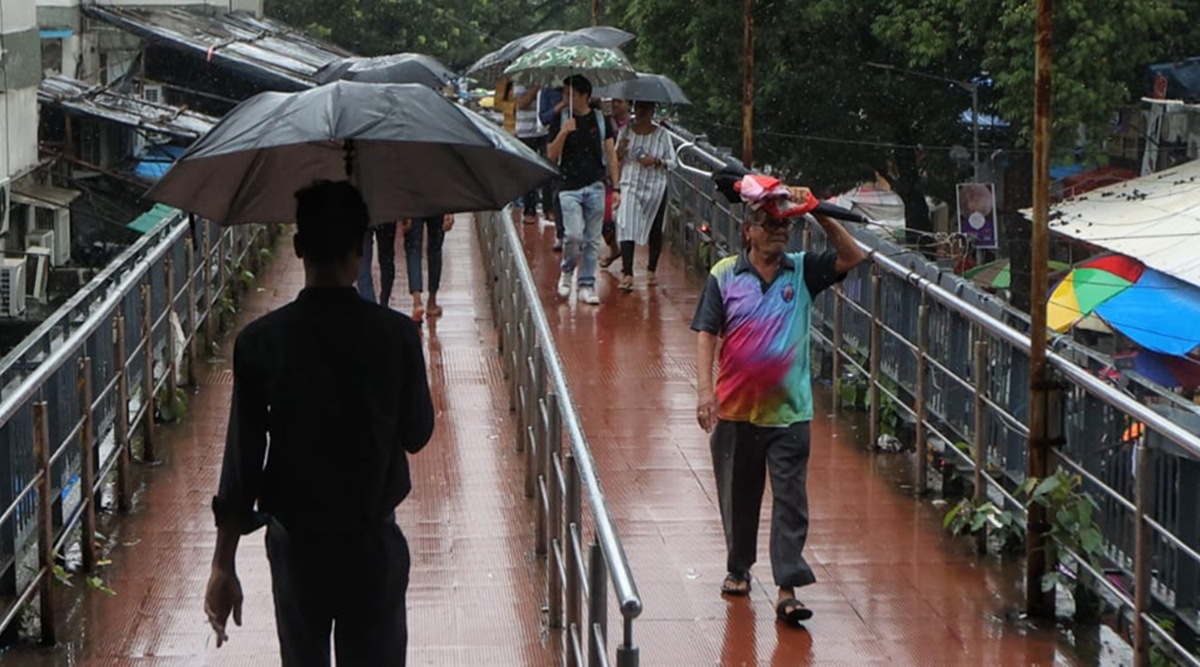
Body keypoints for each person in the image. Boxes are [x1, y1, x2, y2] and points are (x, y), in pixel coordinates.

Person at [205, 180, 434, 665]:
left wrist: (223, 564)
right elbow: (418, 434)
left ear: (298, 247)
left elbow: (242, 461)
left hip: (297, 551)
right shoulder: (395, 336)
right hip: (372, 545)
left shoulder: (260, 343)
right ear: (360, 247)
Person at [690, 184, 866, 628]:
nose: (778, 233)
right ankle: (740, 567)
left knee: (790, 499)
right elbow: (707, 332)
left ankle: (787, 588)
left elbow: (852, 258)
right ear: (748, 232)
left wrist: (818, 213)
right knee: (739, 495)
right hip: (735, 409)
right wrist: (703, 392)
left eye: (784, 225)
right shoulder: (724, 274)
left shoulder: (802, 271)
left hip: (790, 412)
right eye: (769, 225)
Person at [546, 74, 621, 305]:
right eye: (564, 94)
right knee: (573, 235)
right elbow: (551, 154)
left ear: (585, 96)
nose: (566, 99)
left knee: (592, 240)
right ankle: (567, 271)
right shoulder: (560, 118)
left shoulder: (600, 119)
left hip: (595, 185)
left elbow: (610, 154)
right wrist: (564, 131)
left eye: (571, 94)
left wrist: (616, 187)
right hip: (568, 186)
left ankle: (586, 284)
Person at [613, 100, 674, 291]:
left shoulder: (662, 134)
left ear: (652, 111)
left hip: (655, 186)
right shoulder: (626, 131)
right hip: (631, 183)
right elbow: (616, 156)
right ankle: (627, 272)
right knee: (626, 223)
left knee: (656, 228)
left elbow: (673, 162)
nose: (642, 113)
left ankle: (651, 269)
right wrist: (621, 147)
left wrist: (656, 161)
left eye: (646, 109)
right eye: (639, 109)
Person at [598, 98, 632, 269]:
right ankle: (613, 247)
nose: (615, 105)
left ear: (628, 105)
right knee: (606, 218)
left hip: (629, 177)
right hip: (609, 176)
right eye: (614, 102)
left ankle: (628, 267)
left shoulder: (633, 127)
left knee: (627, 221)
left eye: (619, 102)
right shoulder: (605, 123)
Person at [404, 213, 454, 322]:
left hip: (413, 203)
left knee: (413, 249)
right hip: (437, 202)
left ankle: (417, 302)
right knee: (435, 250)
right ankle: (432, 302)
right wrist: (449, 211)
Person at [514, 83, 548, 224]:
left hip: (544, 130)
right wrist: (534, 89)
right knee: (529, 172)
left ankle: (548, 208)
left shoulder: (547, 81)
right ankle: (529, 210)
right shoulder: (519, 82)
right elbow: (521, 103)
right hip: (525, 132)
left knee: (547, 169)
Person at [539, 85, 566, 247]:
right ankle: (561, 232)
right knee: (558, 189)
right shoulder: (548, 91)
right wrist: (560, 106)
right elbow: (544, 118)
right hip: (556, 142)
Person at [356, 222, 398, 305]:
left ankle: (370, 304)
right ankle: (382, 301)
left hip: (365, 215)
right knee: (386, 259)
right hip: (385, 215)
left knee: (363, 262)